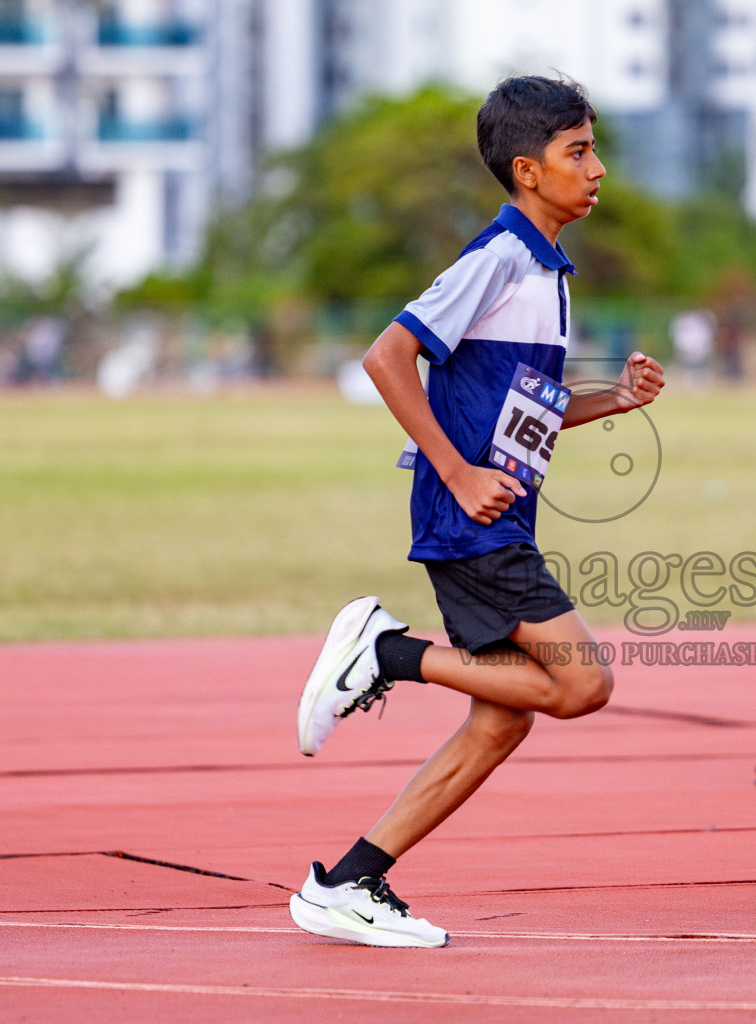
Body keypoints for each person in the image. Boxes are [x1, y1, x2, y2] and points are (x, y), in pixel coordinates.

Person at [290, 75, 665, 948]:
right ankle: (387, 650)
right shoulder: (496, 258)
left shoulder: (547, 271)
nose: (598, 168)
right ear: (529, 170)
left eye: (594, 148)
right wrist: (458, 474)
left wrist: (610, 400)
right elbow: (386, 358)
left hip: (500, 517)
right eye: (580, 152)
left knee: (504, 718)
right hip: (473, 521)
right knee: (584, 682)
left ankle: (347, 882)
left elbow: (520, 412)